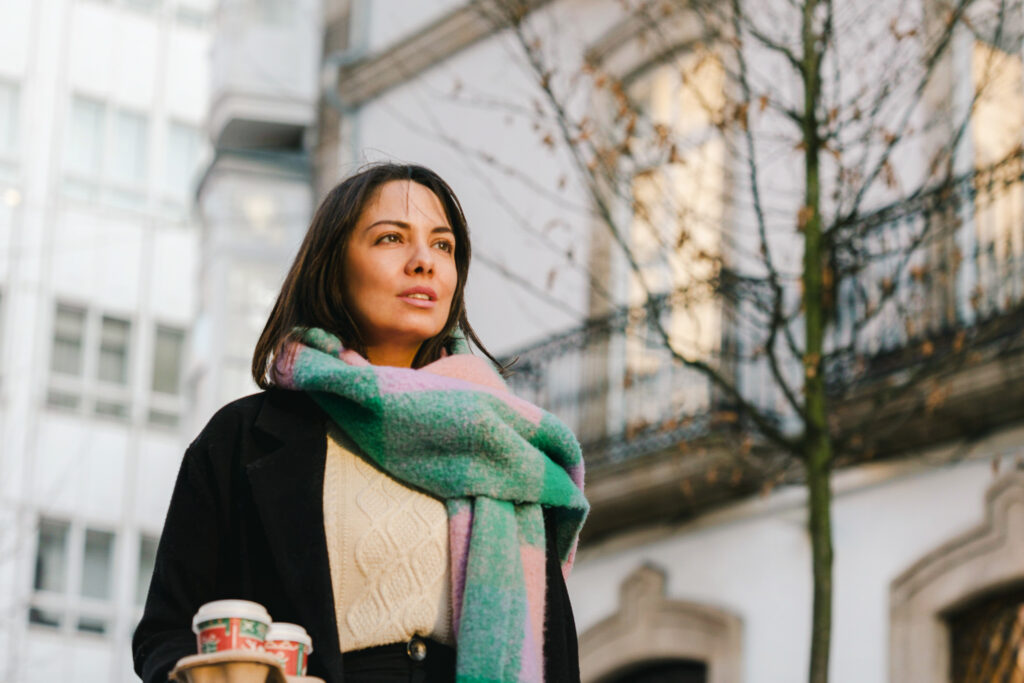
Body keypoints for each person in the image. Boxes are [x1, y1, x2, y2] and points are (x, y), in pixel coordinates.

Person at [132, 163, 588, 683]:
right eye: (391, 238)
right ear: (332, 266)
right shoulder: (242, 439)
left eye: (443, 246)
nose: (424, 263)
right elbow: (166, 634)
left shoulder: (504, 448)